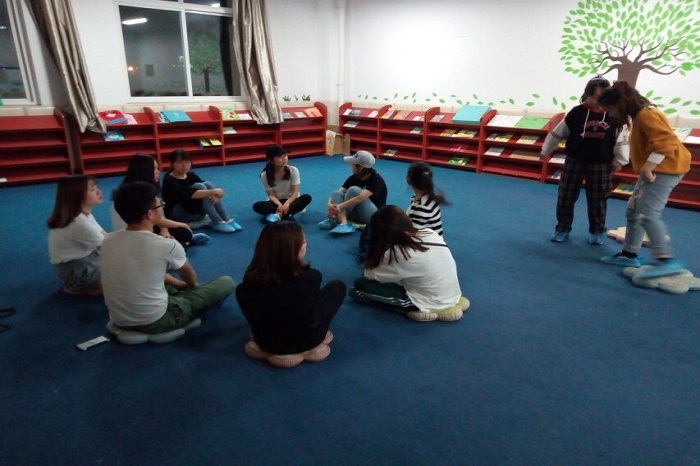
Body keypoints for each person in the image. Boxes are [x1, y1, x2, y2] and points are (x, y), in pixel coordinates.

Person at [101, 181, 235, 334]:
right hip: (157, 320)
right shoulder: (166, 245)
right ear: (149, 214)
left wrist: (177, 284)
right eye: (160, 205)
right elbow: (190, 279)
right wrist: (192, 289)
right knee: (226, 282)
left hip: (119, 318)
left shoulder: (108, 240)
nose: (162, 208)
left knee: (160, 280)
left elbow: (139, 269)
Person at [597, 81, 691, 279]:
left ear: (619, 104)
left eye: (610, 109)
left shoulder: (647, 114)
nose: (610, 114)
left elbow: (665, 143)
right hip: (655, 168)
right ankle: (629, 254)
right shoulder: (639, 115)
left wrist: (648, 167)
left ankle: (667, 261)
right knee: (633, 210)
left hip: (665, 169)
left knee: (648, 213)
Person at [541, 76, 629, 244]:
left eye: (602, 97)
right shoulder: (576, 112)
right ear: (587, 94)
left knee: (598, 200)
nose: (598, 101)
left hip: (601, 163)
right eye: (595, 97)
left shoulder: (615, 115)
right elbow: (557, 133)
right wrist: (546, 150)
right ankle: (562, 228)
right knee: (566, 196)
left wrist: (619, 161)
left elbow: (622, 140)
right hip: (575, 159)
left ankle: (597, 231)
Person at [235, 221, 345, 356]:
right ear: (292, 248)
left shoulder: (251, 278)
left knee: (241, 290)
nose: (306, 245)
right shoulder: (312, 276)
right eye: (304, 242)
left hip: (265, 341)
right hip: (308, 340)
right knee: (337, 286)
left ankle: (262, 331)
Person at [349, 205, 468, 322]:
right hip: (452, 292)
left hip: (429, 301)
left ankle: (413, 309)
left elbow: (369, 275)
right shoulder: (429, 233)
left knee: (360, 284)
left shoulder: (397, 253)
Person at [112, 153, 209, 247]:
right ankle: (181, 244)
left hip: (149, 223)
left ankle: (182, 242)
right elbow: (143, 224)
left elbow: (159, 216)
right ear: (144, 171)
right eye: (154, 169)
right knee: (173, 244)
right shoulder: (132, 195)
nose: (158, 171)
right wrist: (162, 237)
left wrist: (166, 229)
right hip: (136, 231)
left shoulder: (148, 188)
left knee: (184, 232)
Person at [47, 175, 107, 296]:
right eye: (92, 189)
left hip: (84, 261)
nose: (99, 192)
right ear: (77, 196)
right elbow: (112, 244)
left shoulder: (81, 215)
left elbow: (106, 236)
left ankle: (98, 286)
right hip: (79, 271)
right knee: (130, 271)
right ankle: (87, 286)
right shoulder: (78, 222)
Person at [161, 149, 242, 233]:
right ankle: (217, 220)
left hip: (195, 210)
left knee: (207, 184)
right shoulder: (169, 180)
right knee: (199, 186)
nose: (184, 166)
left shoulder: (190, 174)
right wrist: (213, 192)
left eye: (187, 162)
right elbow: (186, 194)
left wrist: (217, 194)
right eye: (179, 163)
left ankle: (226, 219)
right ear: (171, 164)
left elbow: (207, 187)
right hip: (180, 214)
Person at [318, 150, 387, 235]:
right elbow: (339, 191)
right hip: (356, 213)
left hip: (372, 215)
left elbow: (359, 199)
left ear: (360, 167)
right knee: (336, 193)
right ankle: (342, 222)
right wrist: (329, 204)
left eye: (352, 164)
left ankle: (338, 219)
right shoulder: (354, 178)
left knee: (354, 190)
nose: (350, 166)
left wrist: (337, 207)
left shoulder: (376, 180)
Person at [252, 146, 312, 223]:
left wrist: (287, 203)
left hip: (291, 200)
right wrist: (280, 205)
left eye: (285, 156)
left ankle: (278, 215)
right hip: (276, 201)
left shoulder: (293, 170)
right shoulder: (265, 175)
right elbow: (271, 195)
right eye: (280, 157)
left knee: (307, 197)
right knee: (257, 206)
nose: (284, 159)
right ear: (271, 161)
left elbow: (295, 192)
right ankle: (287, 214)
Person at [405, 162, 448, 236]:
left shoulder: (421, 207)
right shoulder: (430, 197)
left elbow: (412, 234)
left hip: (426, 241)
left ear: (408, 179)